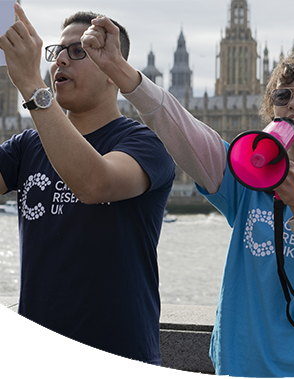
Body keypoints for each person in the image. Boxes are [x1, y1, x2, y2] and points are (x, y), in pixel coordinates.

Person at [82, 15, 294, 377]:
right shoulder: (244, 177)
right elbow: (178, 125)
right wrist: (118, 67)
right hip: (242, 368)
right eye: (282, 96)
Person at [0, 4, 175, 377]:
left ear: (113, 71)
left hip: (118, 366)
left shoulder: (147, 145)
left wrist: (32, 86)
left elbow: (95, 184)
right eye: (57, 51)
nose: (61, 59)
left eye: (78, 51)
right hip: (32, 366)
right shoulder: (27, 147)